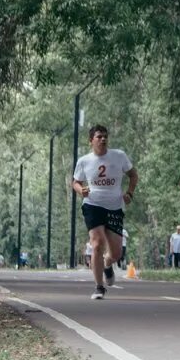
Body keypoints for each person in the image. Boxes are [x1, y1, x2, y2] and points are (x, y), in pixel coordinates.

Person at [71, 124, 138, 299]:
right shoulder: (84, 161)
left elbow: (133, 175)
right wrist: (81, 190)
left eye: (105, 136)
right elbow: (75, 182)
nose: (103, 139)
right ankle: (99, 286)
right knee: (97, 243)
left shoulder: (119, 156)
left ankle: (108, 264)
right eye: (99, 136)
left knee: (116, 253)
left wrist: (130, 193)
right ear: (91, 140)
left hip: (115, 206)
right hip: (92, 204)